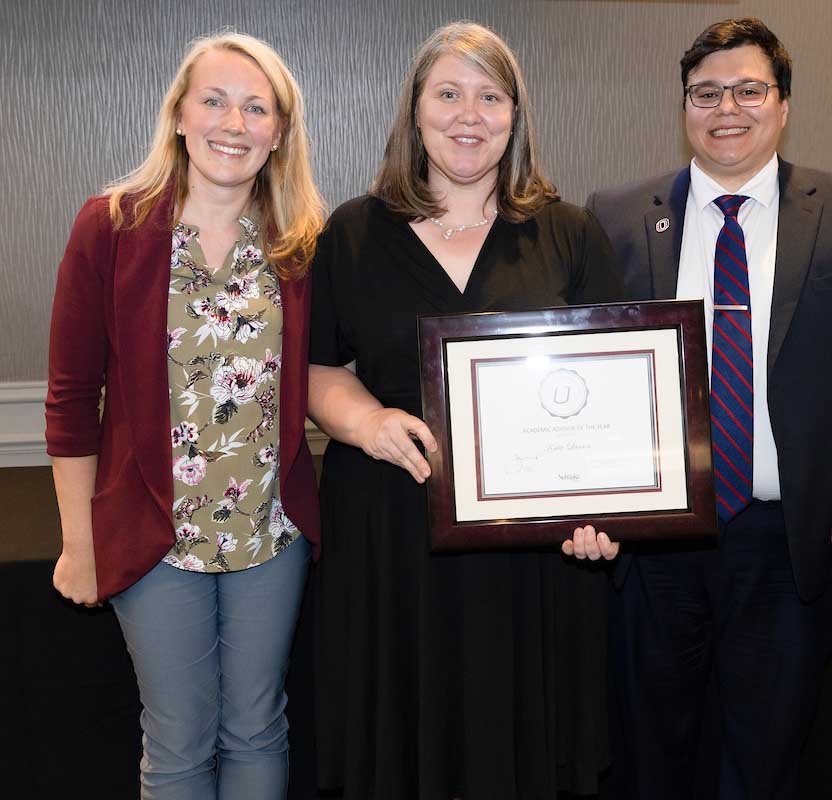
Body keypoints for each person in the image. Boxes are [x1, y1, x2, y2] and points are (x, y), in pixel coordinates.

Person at [586, 17, 832, 799]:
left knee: (766, 752)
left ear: (782, 104)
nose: (726, 108)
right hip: (654, 537)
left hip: (791, 534)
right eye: (706, 92)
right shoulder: (615, 215)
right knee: (653, 749)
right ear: (684, 107)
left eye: (748, 89)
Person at [307, 21, 622, 800]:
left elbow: (617, 390)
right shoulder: (352, 232)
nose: (468, 115)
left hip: (532, 549)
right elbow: (312, 368)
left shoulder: (569, 232)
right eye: (447, 93)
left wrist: (602, 514)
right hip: (390, 527)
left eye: (490, 96)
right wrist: (367, 423)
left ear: (515, 116)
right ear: (415, 111)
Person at [45, 32, 324, 799]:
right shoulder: (109, 228)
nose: (233, 123)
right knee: (177, 742)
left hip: (271, 535)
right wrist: (79, 544)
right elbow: (71, 400)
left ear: (278, 132)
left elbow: (327, 371)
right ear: (178, 114)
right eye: (214, 99)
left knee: (259, 727)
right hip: (153, 538)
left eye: (256, 107)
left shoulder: (300, 245)